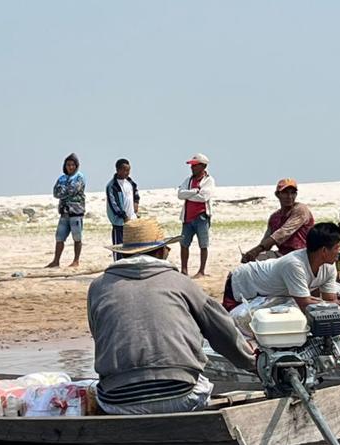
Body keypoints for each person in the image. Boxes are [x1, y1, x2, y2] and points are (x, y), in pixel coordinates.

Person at [87, 218, 256, 415]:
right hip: (181, 395)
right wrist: (253, 364)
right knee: (201, 384)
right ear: (160, 252)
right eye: (167, 250)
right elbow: (223, 332)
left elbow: (99, 333)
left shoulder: (98, 287)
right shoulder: (181, 283)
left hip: (116, 401)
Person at [224, 222, 340, 312]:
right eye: (337, 247)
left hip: (268, 293)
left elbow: (330, 301)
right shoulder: (294, 264)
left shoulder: (329, 266)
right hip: (242, 283)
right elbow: (305, 304)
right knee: (231, 327)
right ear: (324, 251)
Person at [241, 179, 313, 263]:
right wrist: (252, 254)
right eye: (285, 193)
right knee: (252, 263)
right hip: (282, 255)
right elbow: (267, 240)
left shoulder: (300, 209)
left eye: (292, 193)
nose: (289, 196)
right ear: (277, 195)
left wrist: (256, 250)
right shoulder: (274, 217)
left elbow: (283, 233)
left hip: (302, 255)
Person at [177, 153, 214, 277]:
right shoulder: (189, 180)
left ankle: (201, 271)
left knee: (203, 244)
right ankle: (184, 270)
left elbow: (203, 197)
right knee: (184, 244)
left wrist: (189, 195)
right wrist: (194, 191)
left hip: (202, 217)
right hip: (187, 217)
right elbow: (180, 195)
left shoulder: (209, 180)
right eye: (192, 165)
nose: (192, 168)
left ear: (203, 166)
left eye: (194, 165)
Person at [46, 153, 85, 268]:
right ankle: (56, 261)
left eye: (73, 165)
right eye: (68, 165)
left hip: (76, 212)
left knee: (77, 237)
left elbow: (73, 190)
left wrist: (64, 191)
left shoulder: (79, 177)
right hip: (64, 212)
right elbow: (56, 193)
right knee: (59, 237)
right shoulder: (62, 178)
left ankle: (76, 261)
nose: (70, 167)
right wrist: (65, 192)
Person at [104, 158, 139, 257]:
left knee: (132, 247)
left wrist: (136, 203)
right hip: (119, 222)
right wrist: (124, 216)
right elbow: (113, 204)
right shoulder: (112, 186)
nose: (127, 172)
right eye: (124, 170)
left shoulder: (130, 182)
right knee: (119, 248)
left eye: (128, 170)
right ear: (118, 170)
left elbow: (136, 193)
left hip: (132, 220)